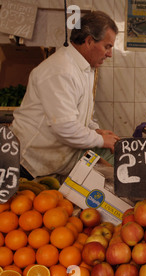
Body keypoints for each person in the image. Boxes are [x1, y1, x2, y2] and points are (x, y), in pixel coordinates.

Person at [11, 11, 120, 181]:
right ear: (89, 41)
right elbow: (64, 127)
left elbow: (77, 113)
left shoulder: (85, 68)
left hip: (50, 163)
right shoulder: (60, 70)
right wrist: (100, 140)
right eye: (107, 46)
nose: (110, 54)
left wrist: (94, 129)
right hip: (27, 164)